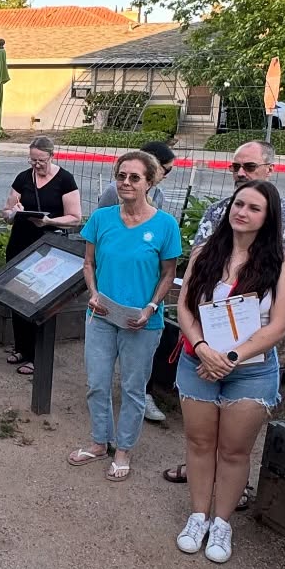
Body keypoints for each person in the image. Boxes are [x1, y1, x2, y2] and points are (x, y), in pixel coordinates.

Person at [163, 139, 285, 485]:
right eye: (235, 166)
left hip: (248, 344)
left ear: (269, 169)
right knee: (200, 435)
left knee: (235, 443)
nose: (240, 172)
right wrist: (204, 349)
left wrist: (229, 356)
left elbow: (268, 276)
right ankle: (201, 471)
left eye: (249, 167)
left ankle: (230, 486)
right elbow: (200, 272)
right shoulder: (217, 211)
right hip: (205, 341)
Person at [174, 182, 285, 564]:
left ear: (268, 217)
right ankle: (198, 515)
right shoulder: (205, 253)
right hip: (198, 361)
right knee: (199, 443)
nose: (242, 212)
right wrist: (201, 348)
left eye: (253, 208)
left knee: (234, 450)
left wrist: (229, 357)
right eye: (238, 204)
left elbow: (280, 325)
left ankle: (222, 522)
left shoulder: (281, 262)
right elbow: (184, 307)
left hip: (250, 370)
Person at [69, 149, 181, 479]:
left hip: (141, 322)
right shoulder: (102, 218)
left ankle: (124, 449)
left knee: (133, 388)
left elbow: (168, 273)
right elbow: (88, 263)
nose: (126, 182)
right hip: (102, 314)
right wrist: (92, 293)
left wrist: (151, 307)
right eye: (121, 176)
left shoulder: (165, 225)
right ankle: (99, 441)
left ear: (150, 182)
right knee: (97, 383)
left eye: (134, 177)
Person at [97, 140, 176, 418]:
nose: (167, 174)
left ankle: (143, 395)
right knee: (101, 368)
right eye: (166, 169)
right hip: (111, 293)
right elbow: (100, 234)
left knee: (139, 362)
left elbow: (164, 260)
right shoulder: (113, 193)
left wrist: (152, 303)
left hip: (143, 296)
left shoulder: (160, 199)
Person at [0, 135, 82, 375]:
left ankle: (37, 355)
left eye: (41, 161)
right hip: (20, 242)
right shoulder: (23, 178)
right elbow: (6, 212)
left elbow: (75, 218)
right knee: (16, 292)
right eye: (32, 160)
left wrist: (49, 221)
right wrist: (13, 213)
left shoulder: (65, 180)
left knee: (39, 297)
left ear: (51, 156)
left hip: (47, 245)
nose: (36, 165)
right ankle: (21, 347)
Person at [97, 140, 175, 209]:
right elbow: (101, 219)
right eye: (167, 170)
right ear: (154, 166)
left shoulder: (157, 192)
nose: (165, 176)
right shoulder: (114, 191)